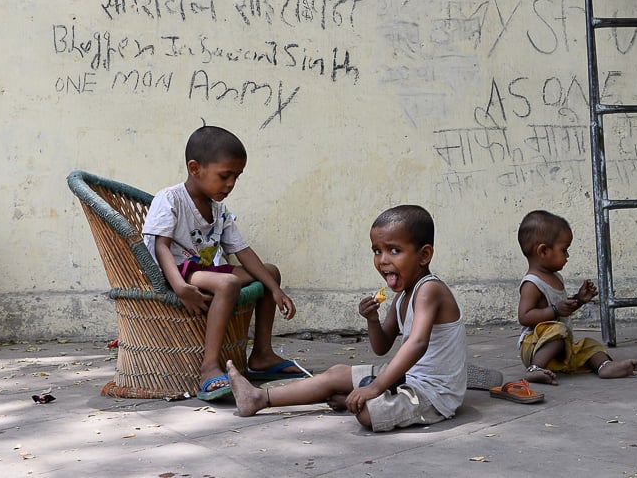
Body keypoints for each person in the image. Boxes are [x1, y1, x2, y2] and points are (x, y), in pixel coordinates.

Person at [226, 204, 467, 432]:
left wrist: (375, 386)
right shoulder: (402, 297)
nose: (383, 260)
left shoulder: (429, 290)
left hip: (434, 394)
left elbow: (417, 343)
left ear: (424, 255)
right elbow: (381, 346)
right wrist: (372, 320)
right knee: (336, 373)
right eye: (377, 251)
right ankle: (258, 398)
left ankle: (363, 396)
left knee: (367, 413)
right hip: (410, 377)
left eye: (395, 250)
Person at [142, 125, 306, 401]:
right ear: (195, 169)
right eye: (225, 176)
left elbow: (241, 250)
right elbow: (161, 247)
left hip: (207, 270)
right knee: (228, 282)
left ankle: (262, 354)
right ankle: (209, 366)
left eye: (236, 177)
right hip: (180, 271)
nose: (230, 184)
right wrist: (180, 287)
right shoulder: (170, 199)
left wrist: (274, 289)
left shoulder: (219, 209)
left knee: (270, 272)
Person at [516, 210, 637, 385]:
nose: (567, 256)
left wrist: (579, 299)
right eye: (564, 250)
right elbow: (524, 317)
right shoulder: (532, 283)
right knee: (558, 331)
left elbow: (561, 310)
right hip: (535, 346)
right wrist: (555, 309)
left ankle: (604, 365)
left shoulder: (556, 277)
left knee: (588, 344)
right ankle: (535, 368)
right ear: (543, 251)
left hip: (560, 345)